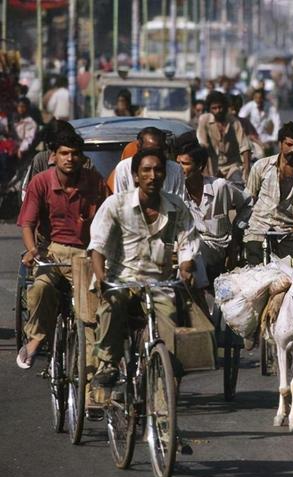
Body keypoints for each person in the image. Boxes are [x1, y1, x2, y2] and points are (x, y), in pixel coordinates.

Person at [88, 148, 199, 386]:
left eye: (158, 170)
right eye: (146, 170)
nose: (153, 175)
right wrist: (101, 278)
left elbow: (188, 241)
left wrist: (186, 266)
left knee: (170, 317)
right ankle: (107, 363)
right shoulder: (115, 205)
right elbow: (97, 246)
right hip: (121, 279)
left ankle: (162, 394)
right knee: (110, 308)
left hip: (159, 283)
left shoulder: (176, 206)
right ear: (136, 176)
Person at [16, 128, 107, 368]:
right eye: (64, 153)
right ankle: (36, 337)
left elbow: (108, 221)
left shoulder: (95, 182)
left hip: (86, 254)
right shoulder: (41, 182)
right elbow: (28, 223)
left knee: (89, 315)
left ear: (82, 157)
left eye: (75, 154)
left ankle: (91, 376)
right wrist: (32, 249)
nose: (70, 158)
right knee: (39, 289)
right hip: (52, 251)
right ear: (54, 156)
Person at [176, 139, 251, 286]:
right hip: (188, 247)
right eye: (177, 163)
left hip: (217, 247)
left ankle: (198, 292)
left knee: (193, 252)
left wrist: (237, 230)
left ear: (199, 166)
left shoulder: (219, 187)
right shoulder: (177, 193)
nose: (179, 169)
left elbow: (248, 202)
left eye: (185, 164)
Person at [243, 122, 293, 266]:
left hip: (286, 232)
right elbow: (249, 199)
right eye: (289, 144)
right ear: (280, 143)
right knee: (255, 272)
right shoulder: (261, 166)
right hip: (258, 229)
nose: (292, 149)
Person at [196, 91, 251, 185]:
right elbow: (202, 145)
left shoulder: (234, 121)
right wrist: (205, 171)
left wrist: (247, 171)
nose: (218, 110)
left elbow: (245, 146)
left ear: (225, 107)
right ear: (209, 109)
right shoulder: (204, 120)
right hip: (212, 166)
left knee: (237, 186)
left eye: (220, 107)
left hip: (232, 166)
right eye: (214, 108)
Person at [112, 127, 185, 196]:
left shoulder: (175, 170)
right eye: (149, 152)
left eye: (158, 151)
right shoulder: (123, 168)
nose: (152, 176)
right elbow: (119, 202)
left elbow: (180, 203)